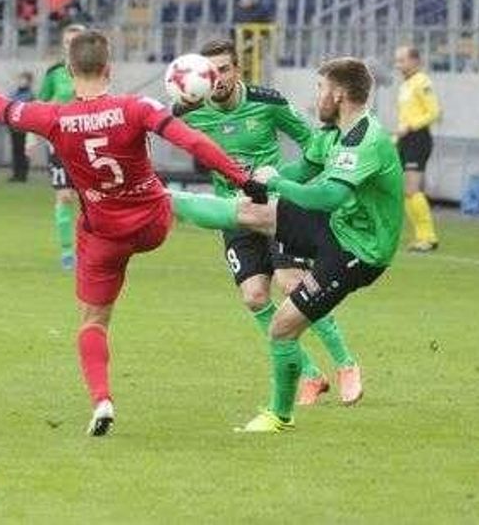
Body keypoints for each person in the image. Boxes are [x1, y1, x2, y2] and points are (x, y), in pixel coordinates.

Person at [0, 27, 262, 437]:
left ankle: (102, 399)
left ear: (70, 69)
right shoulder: (137, 108)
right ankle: (252, 215)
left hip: (103, 234)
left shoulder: (53, 117)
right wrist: (242, 177)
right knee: (170, 196)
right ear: (109, 68)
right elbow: (193, 142)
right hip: (152, 222)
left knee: (93, 321)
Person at [173, 57, 403, 431]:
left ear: (338, 93)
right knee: (249, 213)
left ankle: (280, 415)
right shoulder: (333, 133)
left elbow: (328, 194)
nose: (317, 98)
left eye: (320, 89)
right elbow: (305, 171)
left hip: (359, 252)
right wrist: (263, 180)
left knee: (282, 327)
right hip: (337, 225)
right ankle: (162, 199)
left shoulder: (366, 139)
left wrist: (277, 185)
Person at [38, 23, 87, 270]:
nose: (71, 46)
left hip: (87, 139)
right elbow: (41, 102)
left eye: (76, 41)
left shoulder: (94, 70)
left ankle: (90, 248)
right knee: (65, 195)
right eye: (68, 42)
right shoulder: (55, 72)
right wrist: (31, 137)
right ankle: (68, 252)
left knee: (90, 198)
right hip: (58, 139)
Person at [394, 45, 440, 252]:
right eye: (397, 61)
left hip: (418, 138)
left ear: (414, 61)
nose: (398, 65)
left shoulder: (422, 82)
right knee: (405, 191)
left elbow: (434, 112)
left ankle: (428, 237)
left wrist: (410, 126)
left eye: (402, 61)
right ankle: (421, 236)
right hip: (405, 139)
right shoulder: (405, 85)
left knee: (412, 189)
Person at [7, 71, 35, 182]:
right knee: (16, 150)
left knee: (24, 151)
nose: (21, 82)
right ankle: (15, 174)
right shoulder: (14, 94)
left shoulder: (30, 95)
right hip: (14, 126)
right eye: (20, 79)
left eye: (24, 80)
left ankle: (23, 175)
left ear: (29, 82)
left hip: (25, 127)